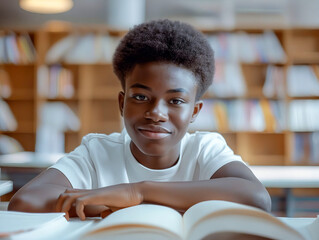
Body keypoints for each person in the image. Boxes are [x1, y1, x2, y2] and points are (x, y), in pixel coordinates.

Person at [8, 19, 271, 220]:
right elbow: (25, 201)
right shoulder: (97, 152)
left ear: (194, 112)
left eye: (176, 101)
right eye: (141, 97)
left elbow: (256, 197)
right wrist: (108, 201)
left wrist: (138, 193)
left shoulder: (205, 149)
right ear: (122, 103)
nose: (156, 113)